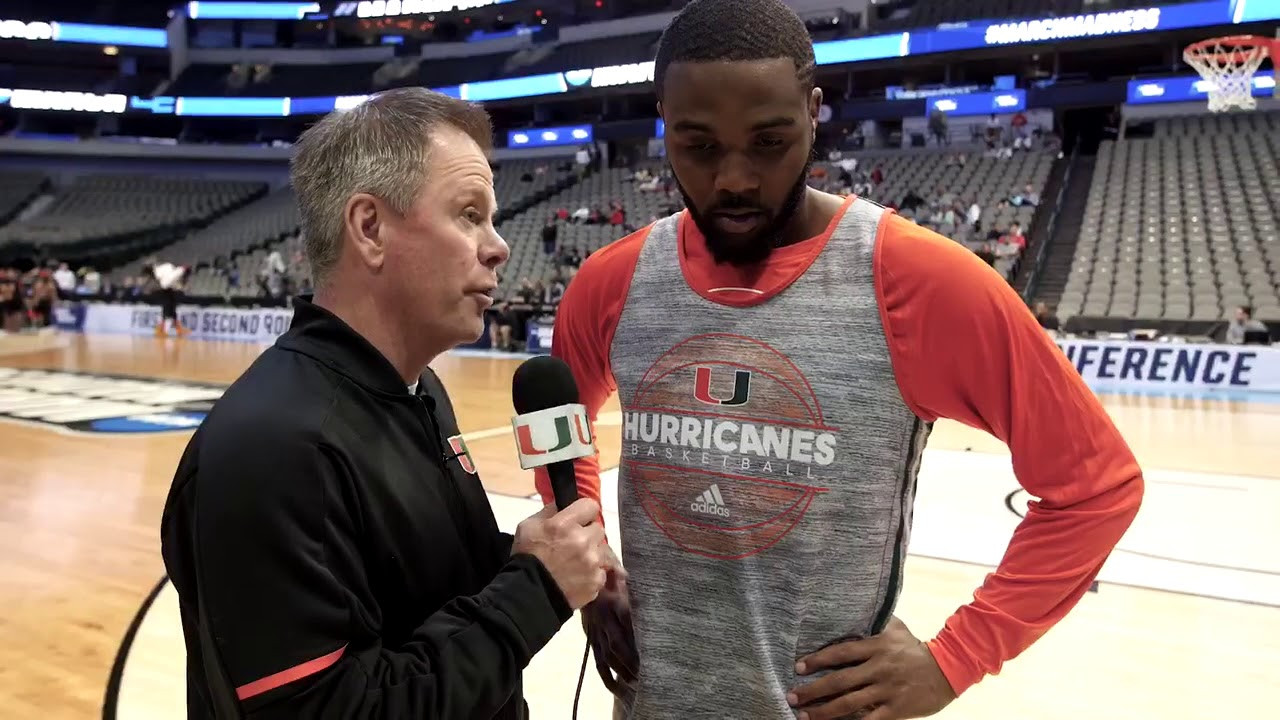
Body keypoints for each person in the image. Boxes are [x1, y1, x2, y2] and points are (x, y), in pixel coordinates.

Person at [535, 1, 1145, 718]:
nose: (734, 178)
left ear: (814, 111)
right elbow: (556, 419)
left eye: (769, 141)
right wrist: (592, 565)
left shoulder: (917, 279)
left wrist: (957, 657)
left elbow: (1097, 487)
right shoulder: (612, 282)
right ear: (663, 119)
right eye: (699, 145)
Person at [160, 88, 608, 719]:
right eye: (470, 214)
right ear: (370, 228)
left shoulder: (418, 390)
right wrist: (534, 590)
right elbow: (330, 710)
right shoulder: (276, 449)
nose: (498, 246)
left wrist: (529, 556)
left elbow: (422, 585)